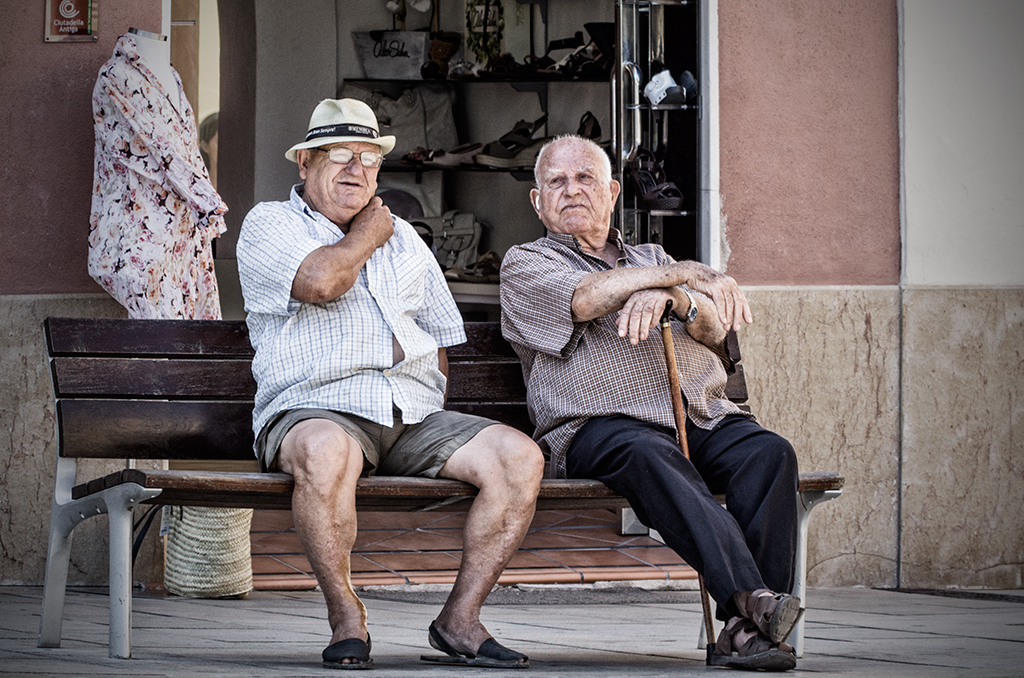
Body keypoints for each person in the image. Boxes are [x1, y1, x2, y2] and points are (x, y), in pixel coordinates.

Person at [236, 99, 544, 670]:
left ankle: (460, 620)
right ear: (304, 163)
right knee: (325, 452)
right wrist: (369, 236)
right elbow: (322, 282)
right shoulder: (270, 224)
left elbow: (440, 334)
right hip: (316, 408)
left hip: (409, 413)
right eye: (339, 156)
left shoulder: (405, 238)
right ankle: (347, 619)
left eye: (369, 159)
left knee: (518, 457)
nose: (357, 169)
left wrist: (430, 407)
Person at [499, 135, 802, 672]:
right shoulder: (526, 263)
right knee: (649, 454)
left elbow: (714, 332)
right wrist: (680, 275)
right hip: (598, 426)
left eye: (585, 178)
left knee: (769, 454)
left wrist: (676, 298)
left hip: (699, 412)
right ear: (536, 200)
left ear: (613, 192)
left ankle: (743, 631)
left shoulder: (651, 258)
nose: (571, 191)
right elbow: (585, 298)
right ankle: (756, 607)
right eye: (557, 182)